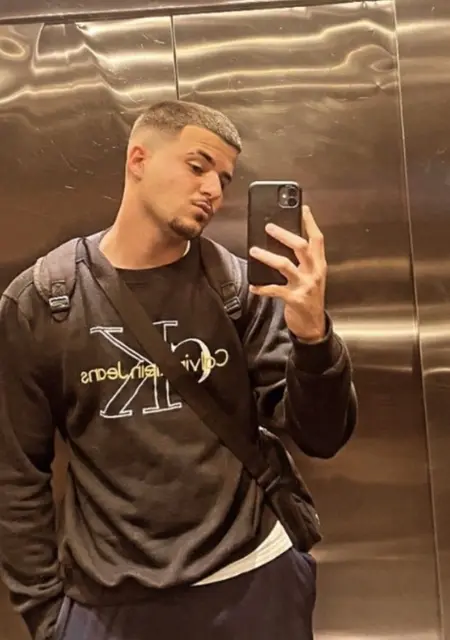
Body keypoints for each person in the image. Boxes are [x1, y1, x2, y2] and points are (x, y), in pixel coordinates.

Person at [0, 100, 356, 640]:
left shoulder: (240, 290)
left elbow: (322, 437)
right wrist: (48, 617)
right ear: (138, 159)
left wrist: (313, 338)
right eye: (197, 166)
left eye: (224, 178)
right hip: (111, 601)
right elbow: (15, 474)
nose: (213, 189)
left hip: (253, 577)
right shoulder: (44, 301)